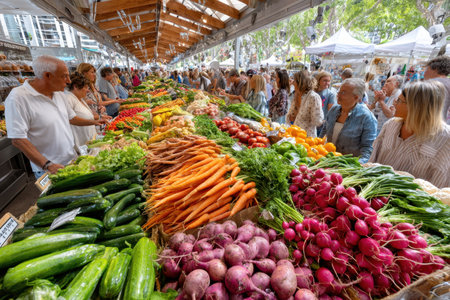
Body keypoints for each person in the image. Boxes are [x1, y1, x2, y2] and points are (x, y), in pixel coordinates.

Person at [4, 55, 104, 178]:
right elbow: (18, 139)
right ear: (47, 75)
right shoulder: (18, 98)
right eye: (64, 76)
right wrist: (47, 164)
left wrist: (94, 122)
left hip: (72, 159)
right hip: (48, 169)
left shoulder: (59, 94)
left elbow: (71, 118)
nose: (68, 81)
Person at [369, 81, 450, 188]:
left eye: (399, 100)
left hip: (411, 202)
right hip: (375, 194)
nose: (394, 103)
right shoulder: (391, 125)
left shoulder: (444, 139)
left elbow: (440, 186)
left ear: (416, 107)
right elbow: (372, 162)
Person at [320, 78, 377, 163]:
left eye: (343, 93)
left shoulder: (366, 118)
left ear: (356, 97)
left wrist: (358, 165)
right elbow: (324, 131)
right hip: (327, 161)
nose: (338, 95)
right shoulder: (334, 109)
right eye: (339, 91)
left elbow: (367, 149)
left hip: (347, 166)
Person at [66, 72, 107, 149]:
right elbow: (71, 119)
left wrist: (101, 118)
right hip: (81, 145)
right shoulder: (69, 98)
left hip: (89, 141)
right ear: (75, 87)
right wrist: (94, 122)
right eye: (85, 87)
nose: (88, 91)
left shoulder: (81, 99)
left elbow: (87, 116)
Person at [287, 70, 323, 137]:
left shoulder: (313, 97)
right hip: (295, 135)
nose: (292, 83)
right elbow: (291, 117)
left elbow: (318, 121)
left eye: (294, 80)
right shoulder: (297, 95)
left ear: (300, 82)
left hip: (307, 137)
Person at [423, 55, 450, 123]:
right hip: (441, 125)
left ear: (435, 69)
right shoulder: (448, 83)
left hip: (425, 124)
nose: (424, 73)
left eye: (426, 69)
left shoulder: (428, 84)